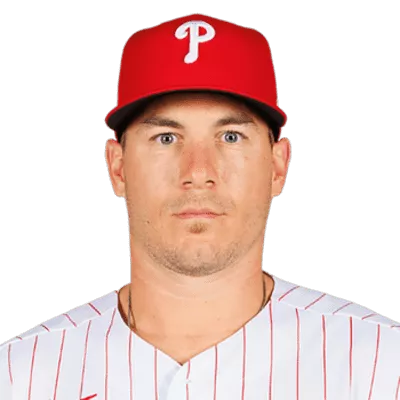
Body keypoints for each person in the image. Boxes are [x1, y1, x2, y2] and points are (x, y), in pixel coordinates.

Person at [0, 12, 399, 400]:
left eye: (231, 136)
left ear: (278, 167)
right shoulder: (20, 377)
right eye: (166, 138)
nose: (198, 172)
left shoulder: (380, 367)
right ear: (117, 168)